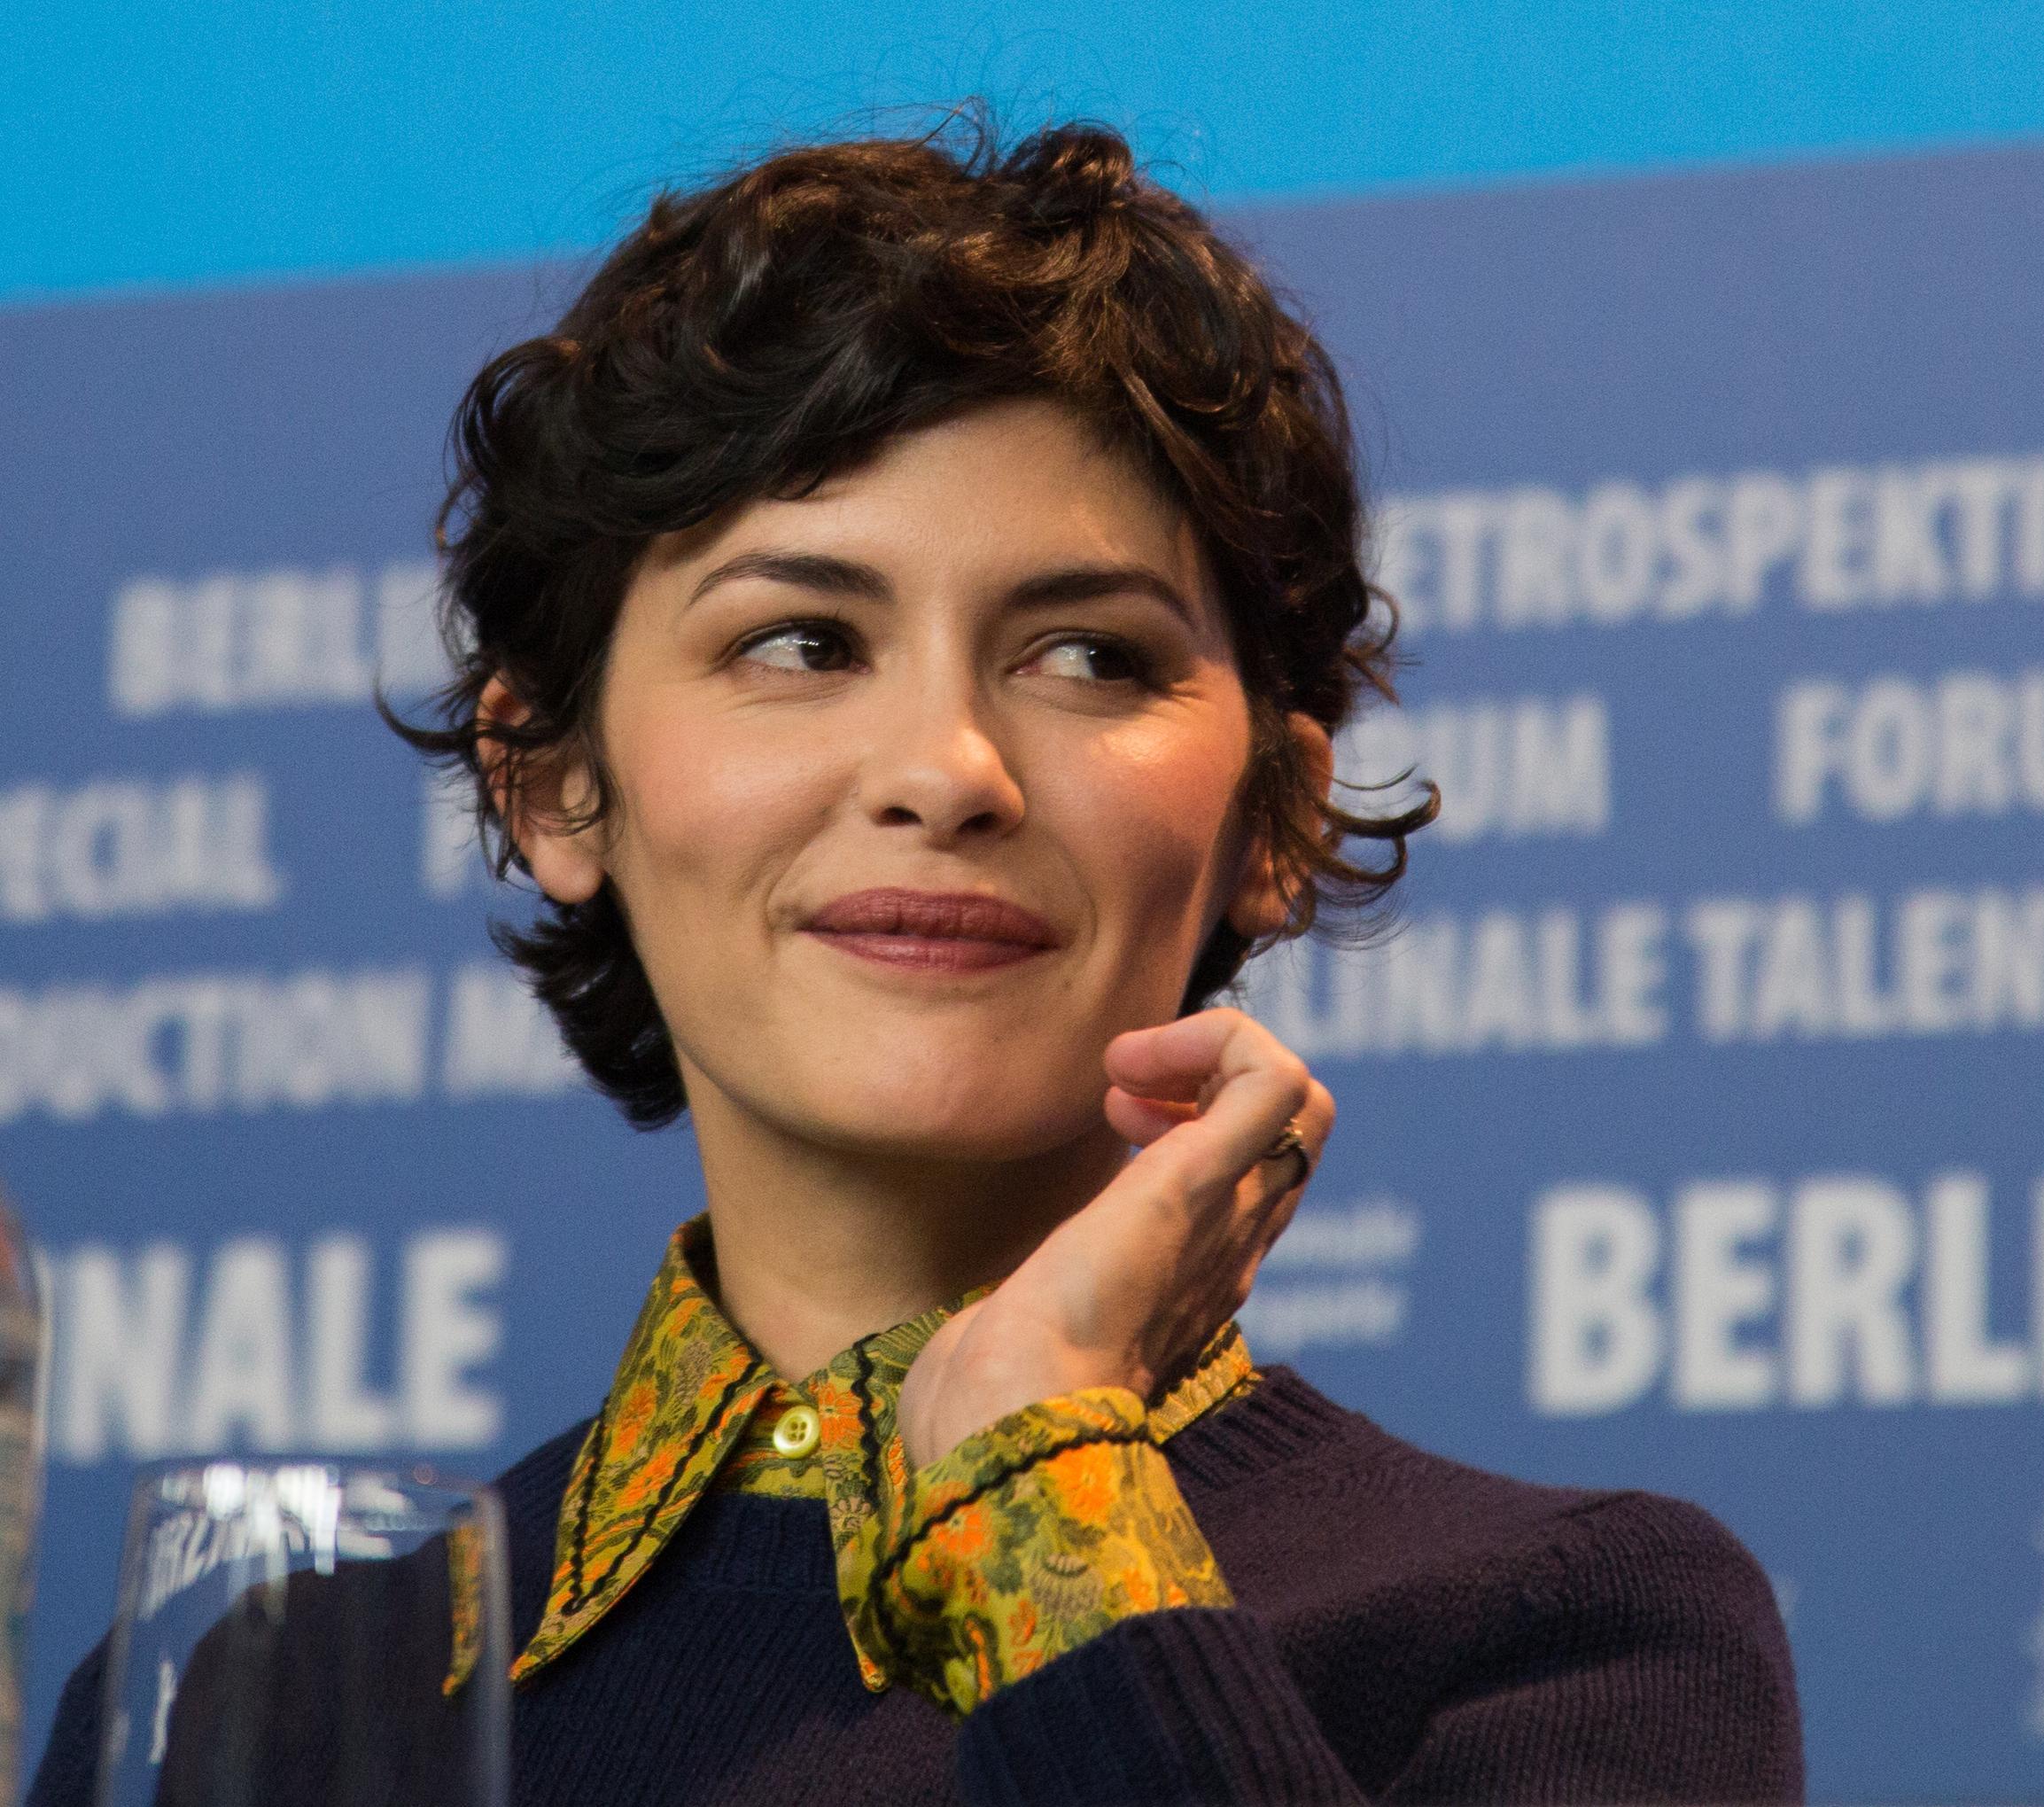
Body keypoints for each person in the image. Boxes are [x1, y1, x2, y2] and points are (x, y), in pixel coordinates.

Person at [33, 118, 1800, 1805]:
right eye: (803, 642)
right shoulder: (268, 1696)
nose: (948, 770)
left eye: (1090, 656)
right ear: (554, 782)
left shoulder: (1563, 1637)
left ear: (1272, 819)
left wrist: (1040, 1479)